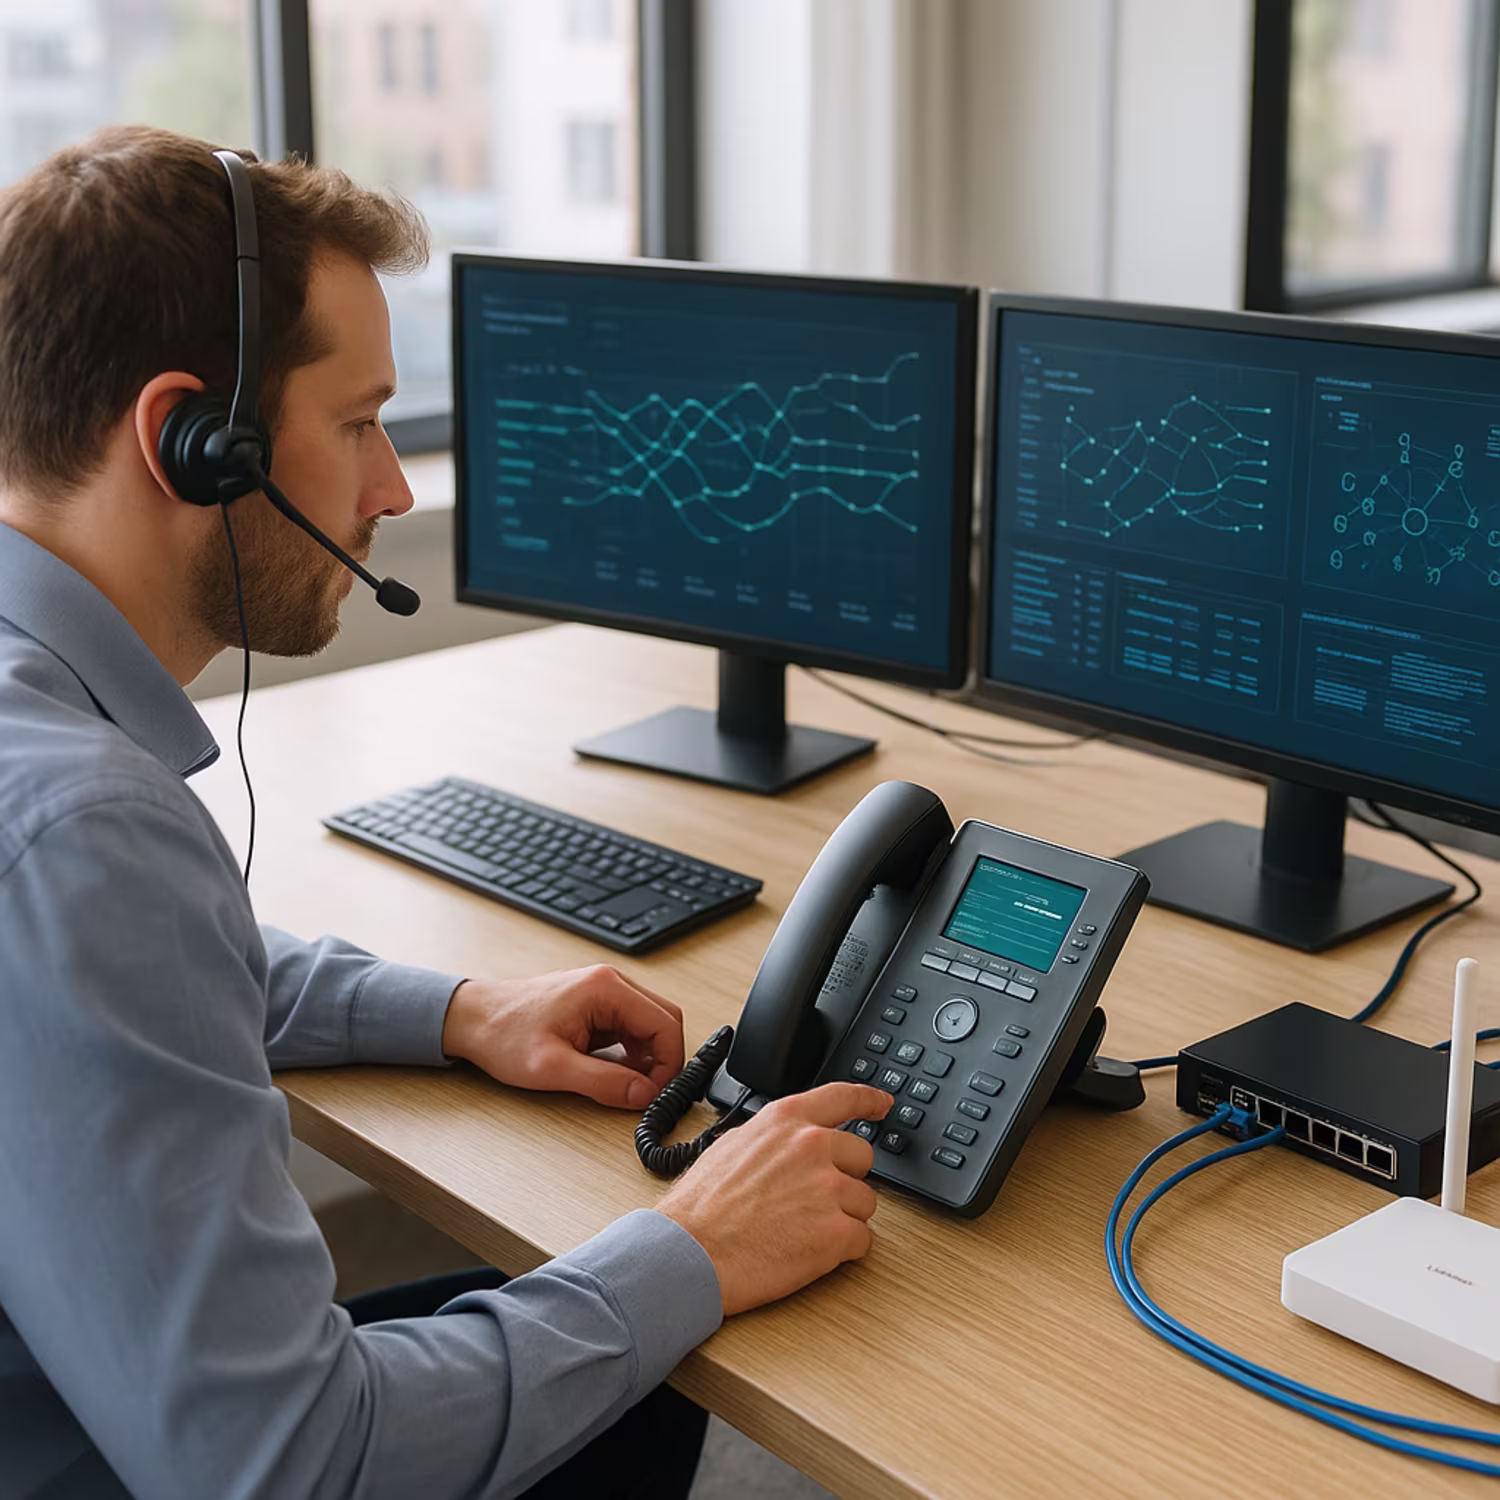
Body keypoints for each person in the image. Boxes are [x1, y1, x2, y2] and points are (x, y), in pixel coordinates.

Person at [0, 126, 892, 1500]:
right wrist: (697, 1247)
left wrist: (460, 1010)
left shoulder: (51, 792)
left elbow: (121, 985)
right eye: (358, 423)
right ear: (195, 443)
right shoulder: (81, 834)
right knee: (641, 1345)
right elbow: (292, 1464)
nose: (391, 489)